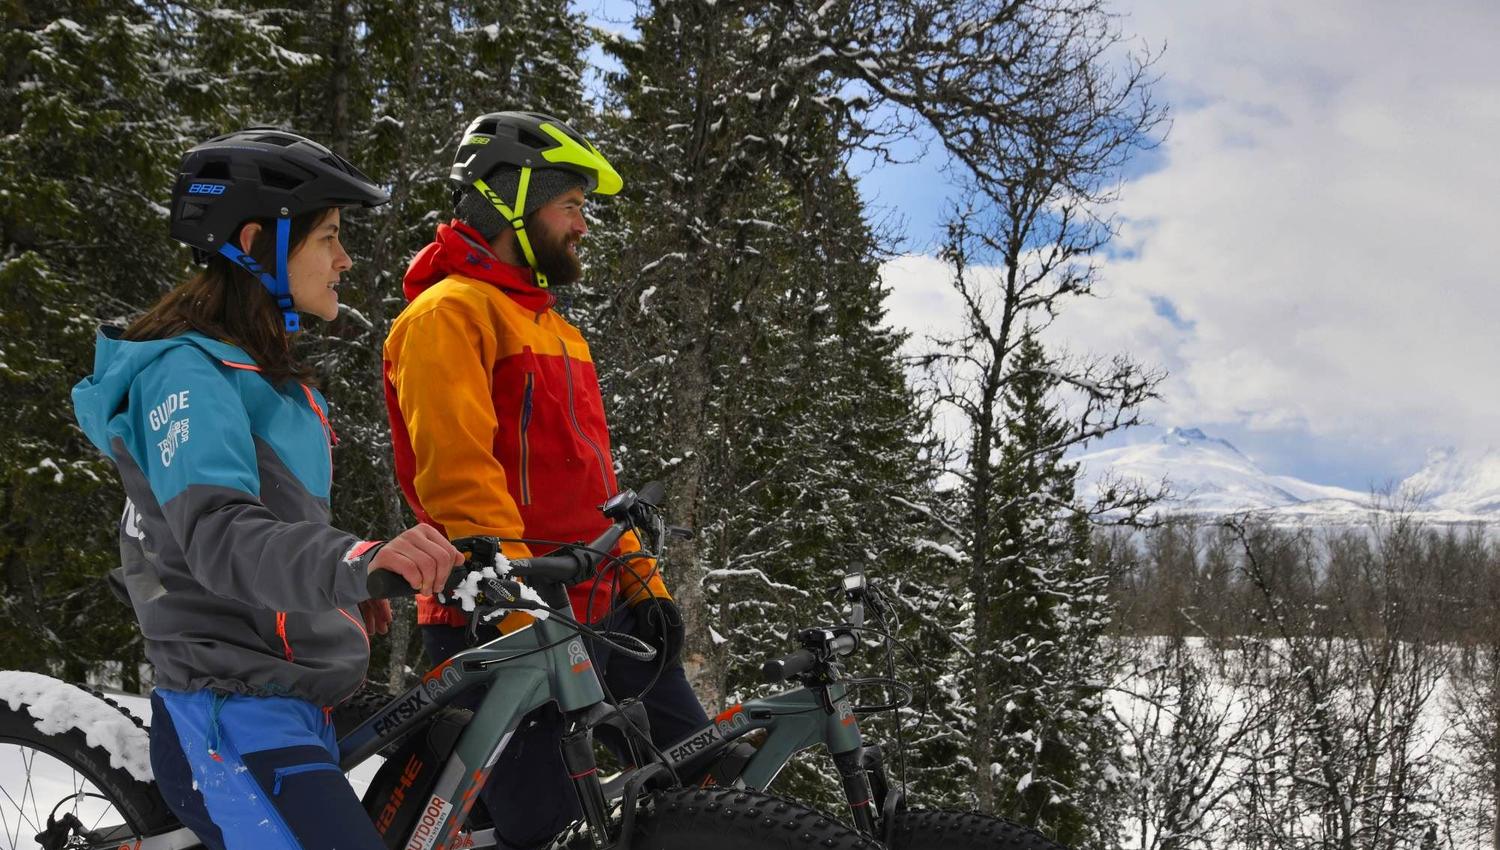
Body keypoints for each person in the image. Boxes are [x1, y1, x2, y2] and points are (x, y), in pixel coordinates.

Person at [70, 128, 464, 850]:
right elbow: (219, 539)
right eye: (329, 238)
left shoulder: (262, 378)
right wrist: (354, 559)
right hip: (225, 709)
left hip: (295, 692)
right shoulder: (185, 375)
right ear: (257, 242)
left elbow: (275, 536)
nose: (344, 259)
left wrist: (348, 584)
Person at [383, 111, 710, 848]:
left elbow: (595, 486)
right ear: (513, 200)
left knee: (709, 781)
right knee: (554, 834)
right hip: (504, 619)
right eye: (572, 206)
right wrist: (513, 601)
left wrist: (643, 585)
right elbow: (458, 477)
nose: (583, 226)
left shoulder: (556, 330)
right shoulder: (448, 316)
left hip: (599, 608)